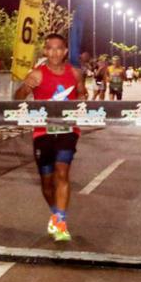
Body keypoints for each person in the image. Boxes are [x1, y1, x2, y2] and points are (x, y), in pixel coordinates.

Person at [14, 33, 87, 242]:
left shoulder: (75, 73)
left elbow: (82, 94)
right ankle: (56, 214)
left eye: (59, 48)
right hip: (42, 131)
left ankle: (61, 221)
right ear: (45, 51)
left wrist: (82, 99)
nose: (54, 52)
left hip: (67, 129)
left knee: (62, 173)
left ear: (65, 51)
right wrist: (26, 86)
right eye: (50, 48)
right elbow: (18, 99)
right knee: (46, 182)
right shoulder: (37, 73)